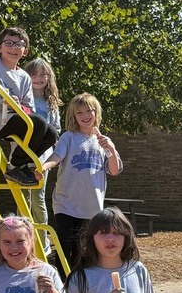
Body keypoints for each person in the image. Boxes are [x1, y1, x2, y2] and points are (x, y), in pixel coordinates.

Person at [38, 92, 122, 268]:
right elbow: (56, 156)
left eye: (89, 111)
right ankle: (62, 284)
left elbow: (114, 170)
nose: (85, 116)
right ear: (73, 116)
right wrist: (44, 167)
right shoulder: (69, 137)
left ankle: (78, 287)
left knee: (83, 251)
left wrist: (111, 149)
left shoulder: (103, 142)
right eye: (80, 112)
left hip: (91, 207)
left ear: (96, 113)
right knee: (63, 247)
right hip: (66, 204)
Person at [0, 28, 58, 187]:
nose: (13, 48)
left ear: (25, 51)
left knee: (51, 134)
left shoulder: (24, 77)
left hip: (14, 118)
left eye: (19, 44)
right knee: (38, 123)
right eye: (9, 43)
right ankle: (17, 166)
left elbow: (29, 108)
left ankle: (16, 166)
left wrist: (17, 104)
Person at [23, 58, 62, 253]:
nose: (38, 78)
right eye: (34, 74)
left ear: (49, 78)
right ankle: (25, 240)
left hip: (42, 153)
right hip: (23, 150)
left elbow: (56, 130)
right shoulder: (23, 98)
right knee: (23, 198)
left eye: (43, 75)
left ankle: (41, 243)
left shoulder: (50, 103)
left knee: (37, 197)